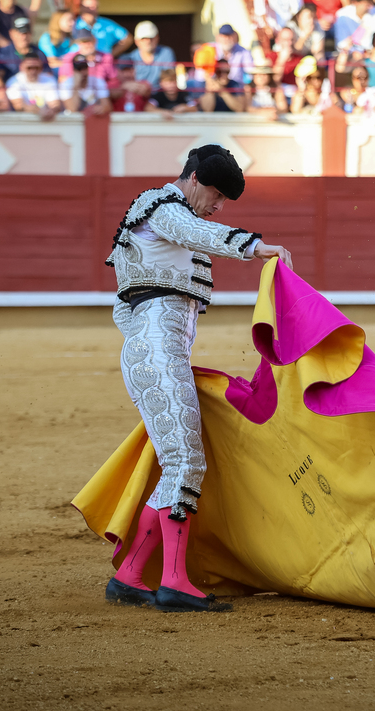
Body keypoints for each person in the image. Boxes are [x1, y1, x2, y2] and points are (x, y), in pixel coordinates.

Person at [103, 145, 292, 613]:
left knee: (179, 462)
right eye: (214, 194)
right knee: (185, 462)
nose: (217, 205)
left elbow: (125, 304)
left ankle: (130, 577)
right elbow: (194, 230)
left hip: (159, 348)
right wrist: (254, 246)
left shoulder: (164, 220)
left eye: (225, 200)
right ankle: (173, 582)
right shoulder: (162, 206)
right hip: (157, 350)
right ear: (190, 179)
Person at [5, 51, 60, 120]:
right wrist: (40, 111)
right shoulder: (14, 81)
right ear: (21, 67)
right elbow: (19, 106)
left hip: (45, 122)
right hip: (22, 122)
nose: (33, 71)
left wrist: (52, 111)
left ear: (41, 68)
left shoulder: (50, 80)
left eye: (36, 68)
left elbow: (55, 104)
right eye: (29, 68)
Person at [57, 27, 113, 92]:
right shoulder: (69, 58)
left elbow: (113, 79)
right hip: (76, 92)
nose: (86, 45)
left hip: (100, 92)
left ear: (95, 41)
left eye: (89, 41)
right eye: (83, 42)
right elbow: (62, 80)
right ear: (78, 44)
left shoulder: (106, 57)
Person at [38, 10, 73, 74]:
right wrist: (71, 65)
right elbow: (51, 62)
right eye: (69, 20)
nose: (72, 23)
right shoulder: (47, 38)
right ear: (57, 21)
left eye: (73, 19)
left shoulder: (71, 38)